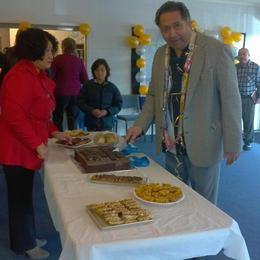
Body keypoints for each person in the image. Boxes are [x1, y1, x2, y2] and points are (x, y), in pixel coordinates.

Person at [126, 1, 242, 205]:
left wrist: (233, 141)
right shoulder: (161, 54)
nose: (172, 34)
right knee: (174, 200)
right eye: (165, 29)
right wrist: (139, 125)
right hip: (171, 142)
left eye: (177, 25)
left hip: (204, 142)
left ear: (189, 23)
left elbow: (230, 98)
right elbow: (153, 95)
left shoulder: (216, 50)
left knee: (204, 206)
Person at [0, 28, 71, 259]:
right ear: (35, 50)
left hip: (26, 147)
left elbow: (40, 116)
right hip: (17, 150)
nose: (52, 55)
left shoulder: (35, 73)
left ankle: (26, 236)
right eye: (49, 50)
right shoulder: (20, 77)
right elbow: (15, 119)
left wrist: (54, 133)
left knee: (24, 196)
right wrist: (37, 145)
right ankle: (25, 244)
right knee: (19, 200)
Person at [51, 37, 88, 131]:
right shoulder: (79, 61)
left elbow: (51, 77)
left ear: (63, 47)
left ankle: (59, 140)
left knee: (58, 118)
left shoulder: (57, 59)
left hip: (60, 93)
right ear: (74, 47)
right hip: (75, 94)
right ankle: (73, 141)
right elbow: (85, 80)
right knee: (73, 119)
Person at [78, 58, 122, 131]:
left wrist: (107, 111)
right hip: (91, 123)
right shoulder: (87, 85)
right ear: (93, 71)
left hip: (107, 123)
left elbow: (118, 104)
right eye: (97, 70)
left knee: (107, 142)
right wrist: (91, 110)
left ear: (107, 71)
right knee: (92, 141)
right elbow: (80, 102)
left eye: (102, 70)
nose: (99, 72)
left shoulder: (112, 87)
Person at [236, 48, 260, 151]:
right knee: (235, 121)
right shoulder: (234, 67)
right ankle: (234, 142)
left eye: (244, 54)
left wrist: (258, 98)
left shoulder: (255, 67)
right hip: (235, 99)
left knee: (248, 122)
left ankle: (248, 142)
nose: (242, 56)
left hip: (249, 99)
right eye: (240, 54)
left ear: (249, 55)